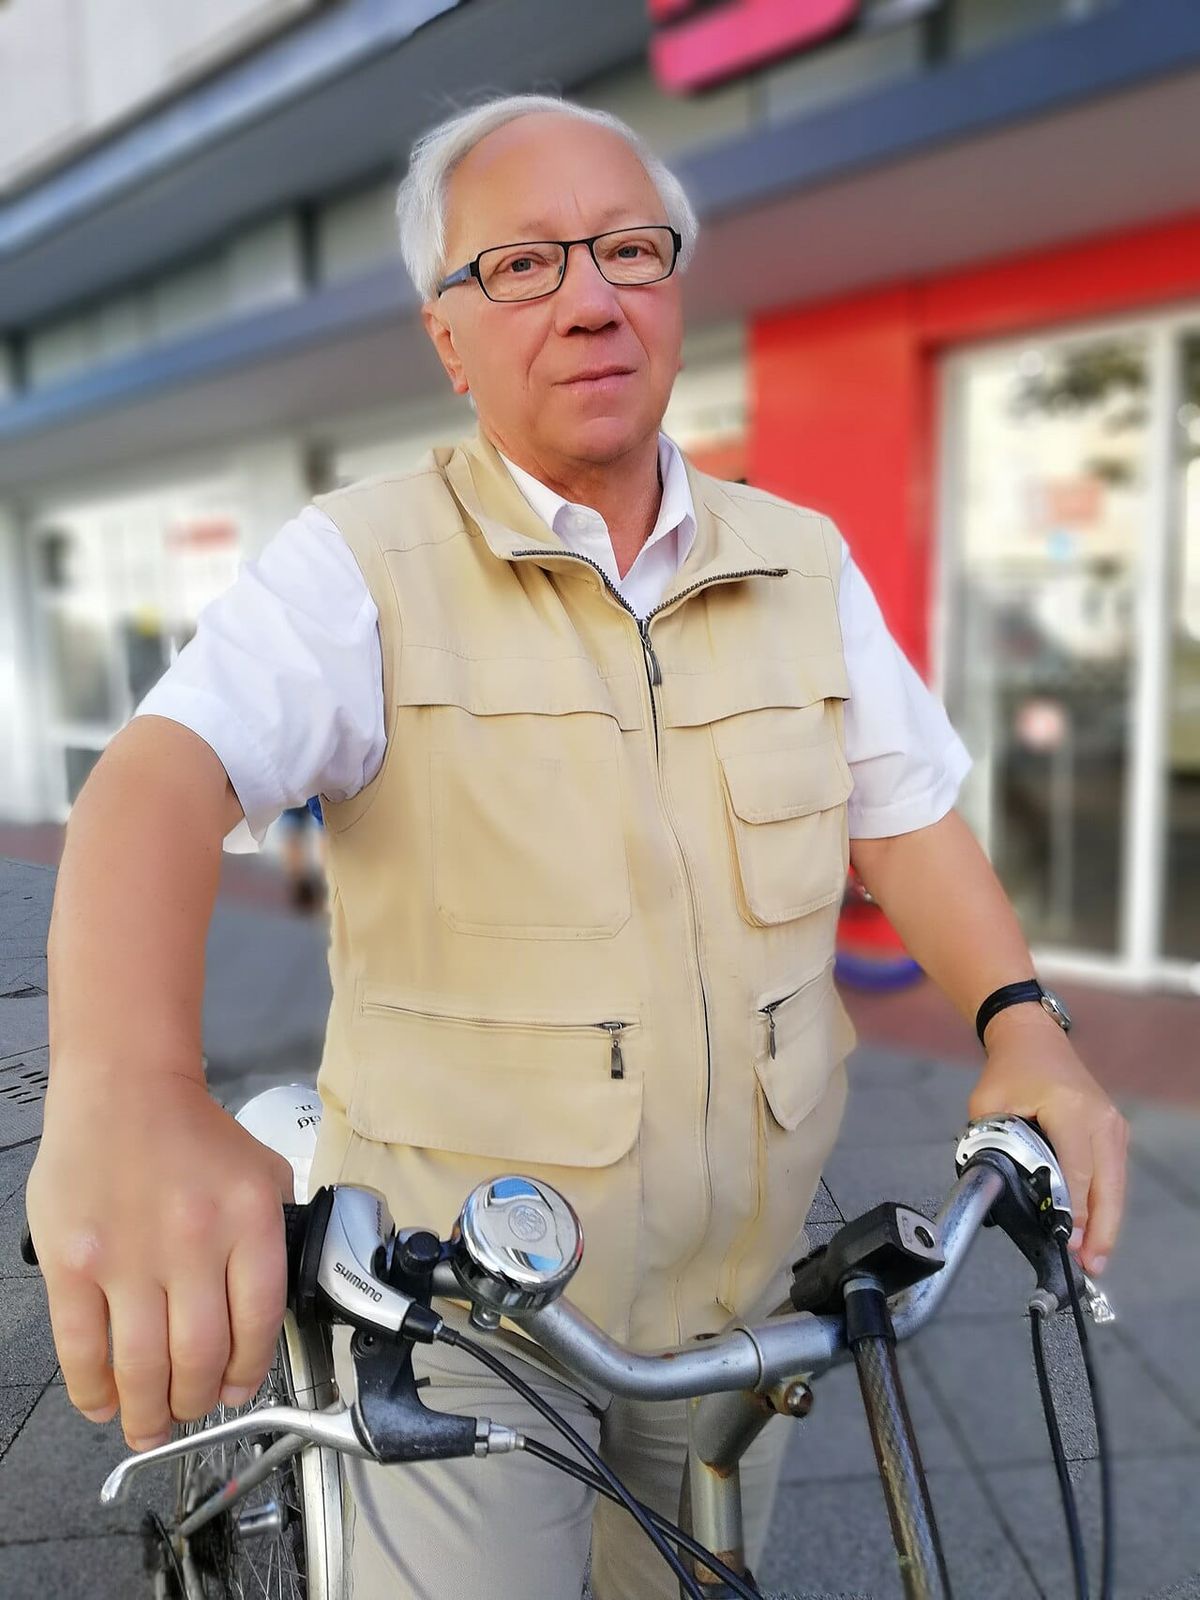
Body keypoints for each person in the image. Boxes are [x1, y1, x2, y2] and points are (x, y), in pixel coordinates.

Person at [25, 94, 1128, 1600]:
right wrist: (127, 1087)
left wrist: (1024, 1025)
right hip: (466, 1313)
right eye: (523, 265)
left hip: (749, 1305)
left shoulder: (801, 562)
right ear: (449, 336)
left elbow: (909, 810)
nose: (591, 298)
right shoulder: (361, 565)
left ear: (672, 287)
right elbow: (157, 780)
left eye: (628, 249)